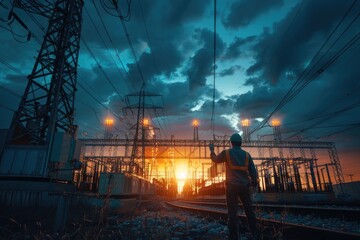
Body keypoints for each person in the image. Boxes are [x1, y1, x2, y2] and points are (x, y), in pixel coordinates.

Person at [209, 133, 259, 240]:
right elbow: (253, 171)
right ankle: (255, 233)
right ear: (241, 143)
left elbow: (216, 160)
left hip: (231, 187)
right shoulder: (247, 155)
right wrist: (254, 181)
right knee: (249, 210)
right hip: (245, 186)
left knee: (232, 212)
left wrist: (212, 151)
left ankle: (233, 236)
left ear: (231, 143)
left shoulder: (227, 153)